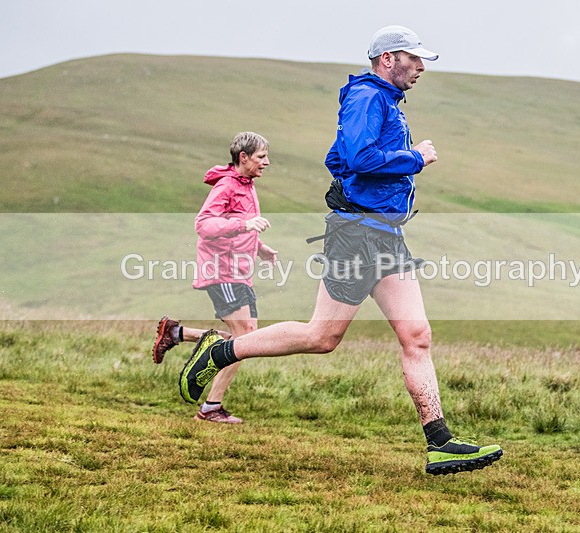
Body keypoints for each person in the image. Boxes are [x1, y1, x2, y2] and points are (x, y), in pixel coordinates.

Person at [178, 26, 502, 474]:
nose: (421, 67)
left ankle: (440, 442)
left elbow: (337, 158)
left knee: (417, 335)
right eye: (413, 58)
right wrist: (415, 158)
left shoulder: (383, 101)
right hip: (356, 235)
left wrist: (371, 180)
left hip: (385, 235)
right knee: (321, 337)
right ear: (387, 58)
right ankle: (221, 352)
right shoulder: (366, 97)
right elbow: (357, 158)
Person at [152, 131, 278, 424]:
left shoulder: (246, 185)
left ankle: (177, 333)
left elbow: (237, 224)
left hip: (238, 271)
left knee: (246, 338)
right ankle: (211, 407)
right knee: (246, 339)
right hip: (222, 270)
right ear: (243, 157)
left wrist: (259, 247)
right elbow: (204, 224)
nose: (267, 162)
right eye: (261, 157)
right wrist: (245, 225)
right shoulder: (227, 186)